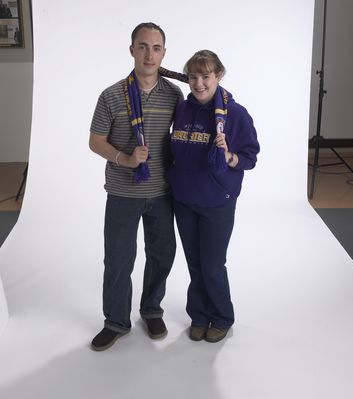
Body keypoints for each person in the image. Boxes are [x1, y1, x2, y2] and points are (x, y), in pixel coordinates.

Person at [89, 22, 184, 351]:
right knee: (118, 259)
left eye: (156, 48)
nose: (149, 54)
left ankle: (151, 309)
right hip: (122, 192)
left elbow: (183, 138)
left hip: (161, 192)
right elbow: (95, 141)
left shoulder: (175, 94)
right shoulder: (111, 95)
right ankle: (116, 320)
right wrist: (123, 158)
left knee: (162, 255)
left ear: (163, 54)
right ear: (132, 50)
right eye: (143, 46)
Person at [167, 50, 260, 343]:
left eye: (205, 76)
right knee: (194, 263)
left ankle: (221, 317)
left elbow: (250, 156)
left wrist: (229, 156)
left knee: (212, 264)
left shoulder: (236, 114)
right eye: (193, 77)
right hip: (183, 199)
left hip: (218, 201)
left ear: (218, 76)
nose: (199, 83)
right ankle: (198, 315)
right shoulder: (182, 109)